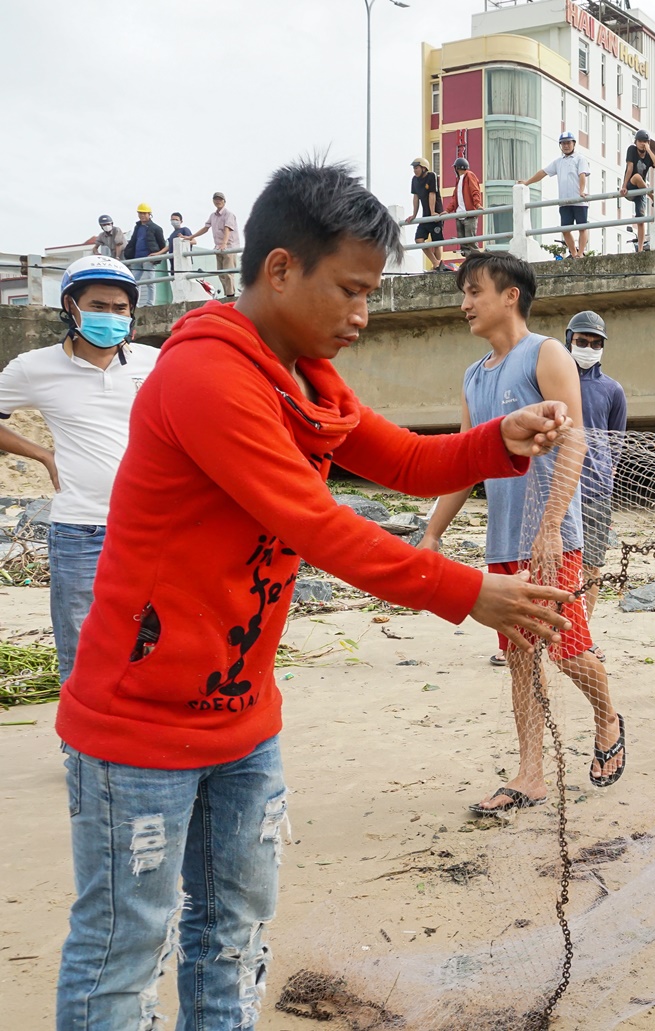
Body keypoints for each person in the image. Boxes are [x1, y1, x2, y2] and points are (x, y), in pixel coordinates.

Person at [53, 160, 576, 1029]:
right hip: (137, 721)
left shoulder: (308, 381)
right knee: (124, 949)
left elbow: (405, 459)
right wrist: (466, 591)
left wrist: (498, 440)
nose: (364, 317)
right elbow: (317, 524)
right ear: (282, 267)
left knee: (234, 933)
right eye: (351, 290)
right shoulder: (208, 377)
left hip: (243, 716)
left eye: (372, 292)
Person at [420, 250, 625, 813]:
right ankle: (530, 772)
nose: (464, 304)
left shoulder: (547, 353)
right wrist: (433, 532)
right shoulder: (473, 376)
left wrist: (552, 525)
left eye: (474, 292)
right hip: (503, 541)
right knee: (518, 655)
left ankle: (607, 717)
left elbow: (575, 439)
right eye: (463, 293)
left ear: (510, 295)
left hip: (553, 536)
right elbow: (465, 462)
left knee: (564, 646)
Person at [0, 256, 159, 685]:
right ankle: (85, 748)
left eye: (119, 308)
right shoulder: (34, 368)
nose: (110, 316)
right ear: (70, 307)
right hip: (80, 533)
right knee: (85, 648)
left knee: (158, 646)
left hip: (156, 530)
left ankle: (142, 740)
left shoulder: (157, 362)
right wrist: (43, 454)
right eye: (98, 306)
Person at [565, 309, 627, 621]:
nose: (588, 348)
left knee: (590, 566)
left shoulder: (612, 390)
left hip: (595, 493)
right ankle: (542, 635)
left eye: (595, 343)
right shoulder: (547, 379)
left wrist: (604, 472)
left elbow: (616, 440)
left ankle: (582, 637)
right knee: (548, 563)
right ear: (568, 340)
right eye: (581, 341)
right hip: (556, 489)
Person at [522, 132, 591, 258]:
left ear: (574, 144)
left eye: (568, 143)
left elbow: (582, 175)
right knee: (565, 229)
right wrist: (527, 183)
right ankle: (574, 253)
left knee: (582, 227)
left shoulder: (580, 159)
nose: (566, 146)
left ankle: (581, 253)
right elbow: (543, 172)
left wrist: (581, 191)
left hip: (579, 200)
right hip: (564, 202)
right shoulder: (558, 162)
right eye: (563, 143)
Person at [188, 191, 240, 299]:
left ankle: (231, 295)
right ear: (213, 201)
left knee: (228, 272)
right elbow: (206, 228)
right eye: (216, 199)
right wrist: (191, 237)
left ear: (224, 201)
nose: (218, 201)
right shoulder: (213, 216)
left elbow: (227, 229)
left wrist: (224, 244)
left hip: (229, 247)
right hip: (218, 247)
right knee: (220, 273)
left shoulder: (229, 214)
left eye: (220, 199)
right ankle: (227, 294)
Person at [621, 128, 655, 250]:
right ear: (635, 141)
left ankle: (639, 249)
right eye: (640, 141)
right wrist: (624, 186)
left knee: (641, 219)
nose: (642, 143)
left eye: (644, 141)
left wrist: (649, 151)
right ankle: (653, 197)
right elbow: (629, 167)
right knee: (637, 177)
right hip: (631, 186)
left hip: (641, 191)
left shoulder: (648, 155)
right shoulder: (632, 150)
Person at [404, 156, 446, 271]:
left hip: (436, 213)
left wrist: (433, 212)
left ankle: (437, 268)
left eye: (417, 168)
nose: (415, 170)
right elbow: (416, 197)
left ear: (423, 168)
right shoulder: (414, 180)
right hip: (425, 215)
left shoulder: (431, 176)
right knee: (419, 239)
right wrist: (414, 215)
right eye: (414, 168)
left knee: (436, 242)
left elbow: (432, 194)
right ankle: (437, 263)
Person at [123, 204, 168, 307]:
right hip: (137, 258)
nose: (142, 215)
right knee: (134, 282)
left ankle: (150, 303)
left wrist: (157, 256)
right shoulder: (137, 227)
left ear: (149, 214)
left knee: (150, 281)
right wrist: (128, 254)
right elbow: (133, 241)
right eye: (140, 213)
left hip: (149, 258)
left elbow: (162, 245)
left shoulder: (156, 228)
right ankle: (135, 304)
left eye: (144, 213)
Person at [448, 156, 484, 256]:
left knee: (471, 242)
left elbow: (475, 191)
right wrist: (447, 210)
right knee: (463, 244)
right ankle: (469, 263)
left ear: (457, 168)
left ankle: (477, 261)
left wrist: (477, 204)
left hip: (469, 215)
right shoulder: (459, 180)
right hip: (459, 215)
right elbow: (455, 198)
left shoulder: (469, 175)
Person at [164, 212, 193, 279]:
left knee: (184, 279)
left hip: (183, 261)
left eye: (176, 220)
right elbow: (169, 247)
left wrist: (183, 240)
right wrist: (157, 254)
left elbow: (193, 241)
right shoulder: (171, 235)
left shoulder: (185, 230)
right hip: (173, 261)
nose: (174, 221)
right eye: (172, 220)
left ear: (181, 221)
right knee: (174, 280)